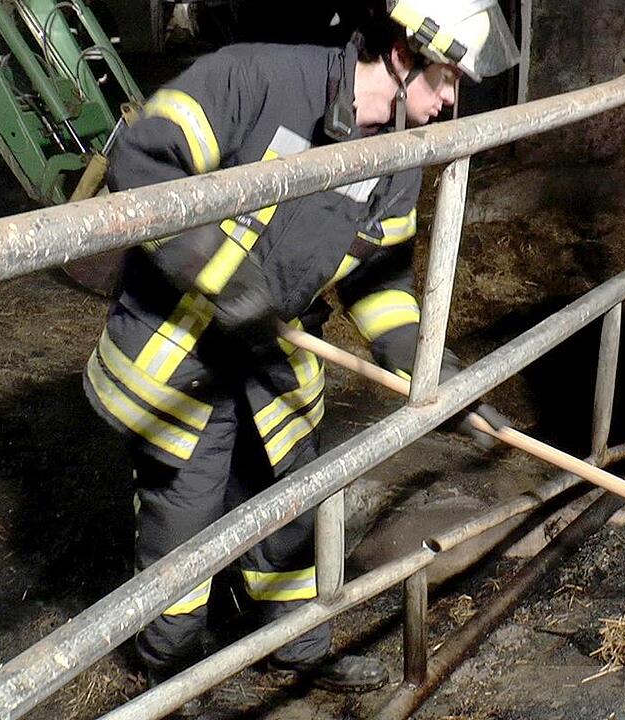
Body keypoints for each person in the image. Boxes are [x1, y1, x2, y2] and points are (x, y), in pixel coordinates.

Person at [82, 0, 520, 705]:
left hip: (270, 361)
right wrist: (219, 276)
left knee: (293, 504)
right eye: (445, 80)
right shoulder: (255, 78)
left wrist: (432, 371)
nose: (449, 103)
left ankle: (297, 647)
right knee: (185, 523)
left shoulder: (396, 154)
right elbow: (140, 161)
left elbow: (380, 278)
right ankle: (172, 672)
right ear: (403, 56)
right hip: (182, 353)